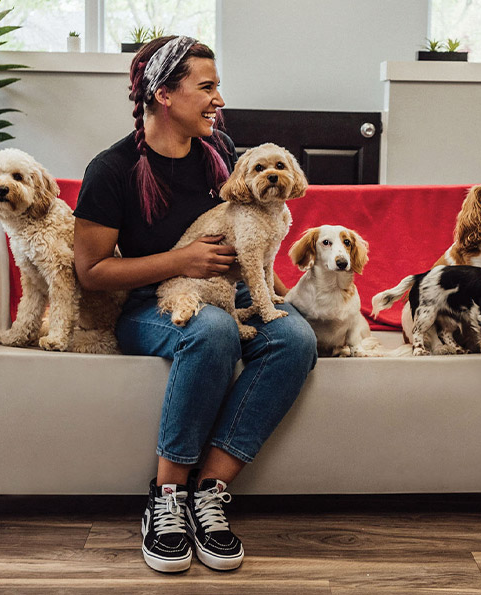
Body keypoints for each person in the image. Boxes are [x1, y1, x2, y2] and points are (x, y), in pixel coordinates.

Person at [72, 35, 317, 574]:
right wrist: (179, 261)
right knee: (210, 330)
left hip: (233, 294)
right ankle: (166, 498)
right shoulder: (111, 169)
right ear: (163, 94)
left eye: (217, 88)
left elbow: (252, 236)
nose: (218, 100)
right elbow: (90, 273)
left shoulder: (222, 154)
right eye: (207, 88)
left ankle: (210, 492)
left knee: (296, 338)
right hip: (146, 305)